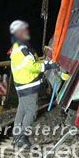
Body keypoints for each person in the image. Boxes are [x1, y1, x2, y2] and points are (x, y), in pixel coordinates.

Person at [8, 20, 56, 148]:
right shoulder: (23, 49)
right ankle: (22, 137)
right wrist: (48, 65)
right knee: (32, 110)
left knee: (22, 110)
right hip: (28, 84)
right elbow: (31, 66)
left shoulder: (18, 48)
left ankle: (16, 138)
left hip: (21, 85)